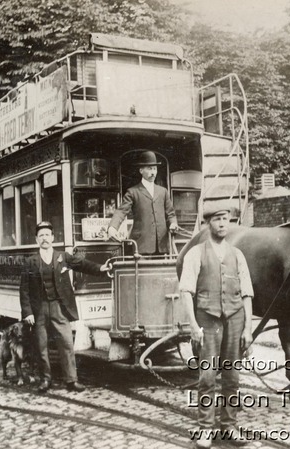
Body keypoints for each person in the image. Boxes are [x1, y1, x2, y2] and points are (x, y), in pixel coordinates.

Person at [180, 205, 253, 448]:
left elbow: (247, 295)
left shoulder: (238, 254)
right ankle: (205, 429)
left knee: (232, 376)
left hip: (234, 320)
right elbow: (186, 292)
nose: (223, 223)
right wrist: (193, 325)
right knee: (208, 376)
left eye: (226, 219)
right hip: (207, 320)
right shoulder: (195, 254)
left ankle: (230, 426)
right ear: (208, 223)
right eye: (218, 219)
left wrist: (248, 329)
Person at [20, 221, 110, 392]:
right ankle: (45, 380)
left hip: (59, 307)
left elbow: (82, 264)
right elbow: (24, 290)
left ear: (53, 238)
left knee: (67, 343)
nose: (44, 238)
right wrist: (28, 312)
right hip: (39, 309)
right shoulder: (30, 262)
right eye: (41, 236)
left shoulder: (63, 257)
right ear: (36, 239)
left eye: (47, 235)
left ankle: (71, 380)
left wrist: (100, 268)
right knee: (41, 345)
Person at [108, 150, 178, 254]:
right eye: (150, 169)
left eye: (155, 169)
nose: (153, 172)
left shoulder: (163, 191)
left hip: (162, 246)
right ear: (141, 170)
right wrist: (112, 228)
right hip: (141, 247)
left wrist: (173, 224)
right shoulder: (133, 192)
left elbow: (170, 213)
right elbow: (122, 211)